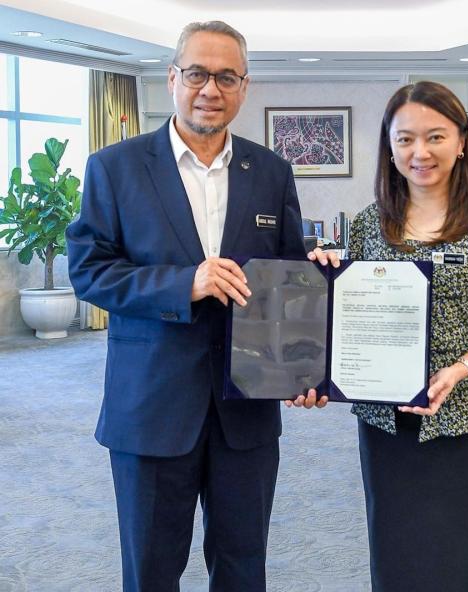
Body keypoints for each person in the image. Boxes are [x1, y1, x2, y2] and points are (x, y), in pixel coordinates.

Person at [66, 21, 334, 592]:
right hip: (152, 408)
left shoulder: (271, 172)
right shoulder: (114, 168)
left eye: (226, 77)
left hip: (247, 409)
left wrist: (309, 364)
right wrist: (184, 284)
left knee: (243, 567)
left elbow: (289, 277)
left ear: (244, 86)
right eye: (197, 74)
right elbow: (89, 273)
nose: (210, 89)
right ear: (172, 79)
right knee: (151, 571)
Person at [348, 81, 468, 592]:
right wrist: (322, 277)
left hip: (467, 416)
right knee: (395, 551)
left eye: (435, 137)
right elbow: (349, 315)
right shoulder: (368, 225)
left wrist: (459, 369)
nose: (419, 152)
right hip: (386, 421)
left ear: (462, 141)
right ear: (389, 146)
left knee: (464, 552)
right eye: (405, 139)